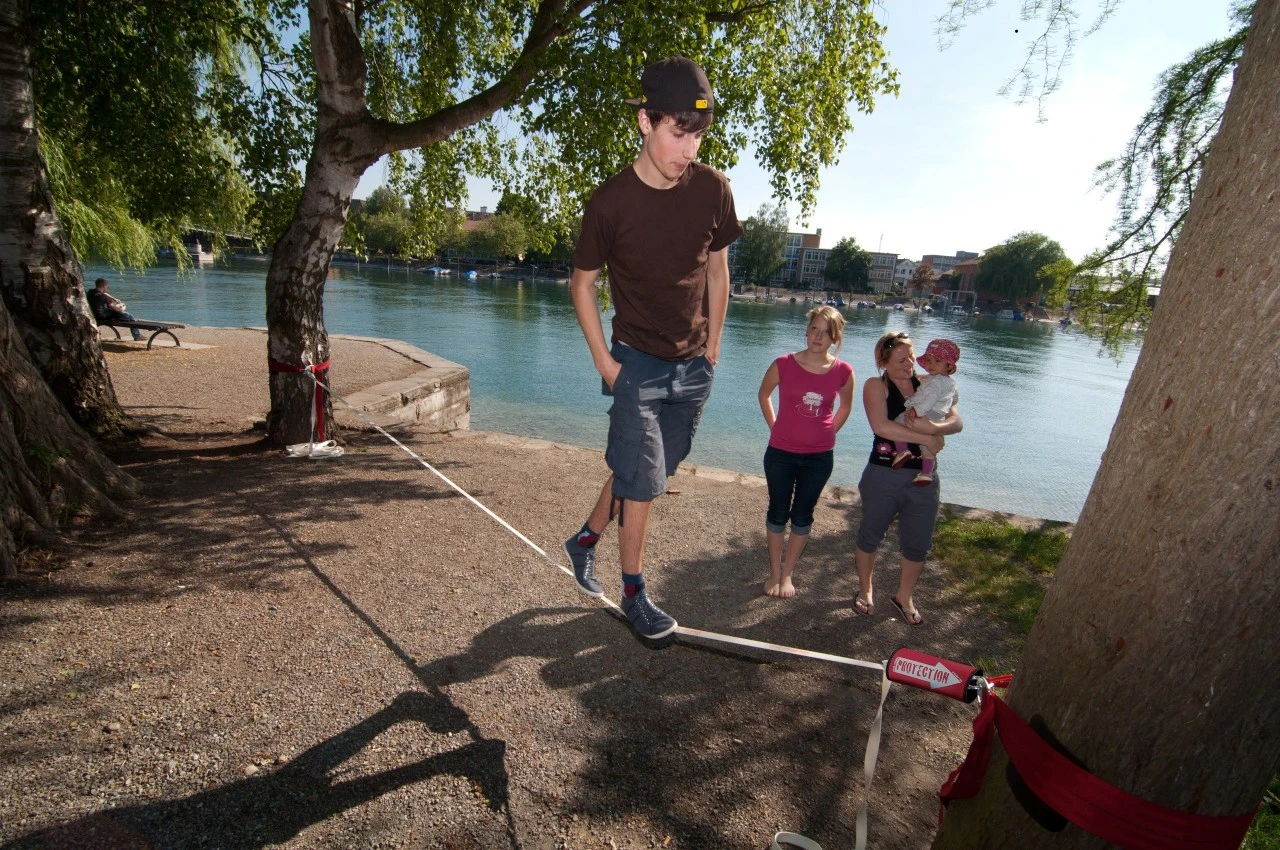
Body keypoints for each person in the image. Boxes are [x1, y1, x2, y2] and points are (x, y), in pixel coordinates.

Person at [562, 56, 743, 640]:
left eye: (698, 134)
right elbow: (582, 284)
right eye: (677, 132)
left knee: (644, 468)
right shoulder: (609, 203)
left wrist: (712, 346)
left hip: (694, 366)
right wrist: (604, 362)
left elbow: (718, 273)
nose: (688, 149)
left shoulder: (714, 189)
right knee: (643, 480)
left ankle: (585, 538)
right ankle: (634, 592)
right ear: (645, 122)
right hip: (634, 363)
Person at [853, 331, 963, 625]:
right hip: (883, 475)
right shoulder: (875, 386)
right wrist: (927, 435)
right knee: (871, 535)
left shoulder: (930, 383)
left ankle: (904, 596)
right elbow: (882, 427)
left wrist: (938, 428)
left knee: (918, 542)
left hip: (924, 479)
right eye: (901, 359)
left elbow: (957, 421)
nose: (910, 363)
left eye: (912, 356)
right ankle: (865, 590)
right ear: (884, 361)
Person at [756, 305, 855, 598]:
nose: (818, 336)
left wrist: (828, 432)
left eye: (826, 332)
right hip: (780, 453)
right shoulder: (783, 363)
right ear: (806, 330)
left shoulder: (843, 371)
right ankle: (774, 572)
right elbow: (764, 394)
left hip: (819, 458)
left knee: (802, 515)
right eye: (814, 329)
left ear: (834, 338)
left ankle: (788, 574)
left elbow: (846, 406)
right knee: (777, 511)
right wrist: (775, 427)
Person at [890, 338, 960, 487]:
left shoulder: (934, 382)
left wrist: (916, 410)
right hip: (937, 416)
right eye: (929, 360)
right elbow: (953, 399)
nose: (931, 365)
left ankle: (903, 451)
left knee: (898, 423)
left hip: (924, 412)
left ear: (948, 365)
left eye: (937, 361)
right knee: (927, 450)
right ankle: (926, 474)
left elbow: (930, 398)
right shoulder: (950, 382)